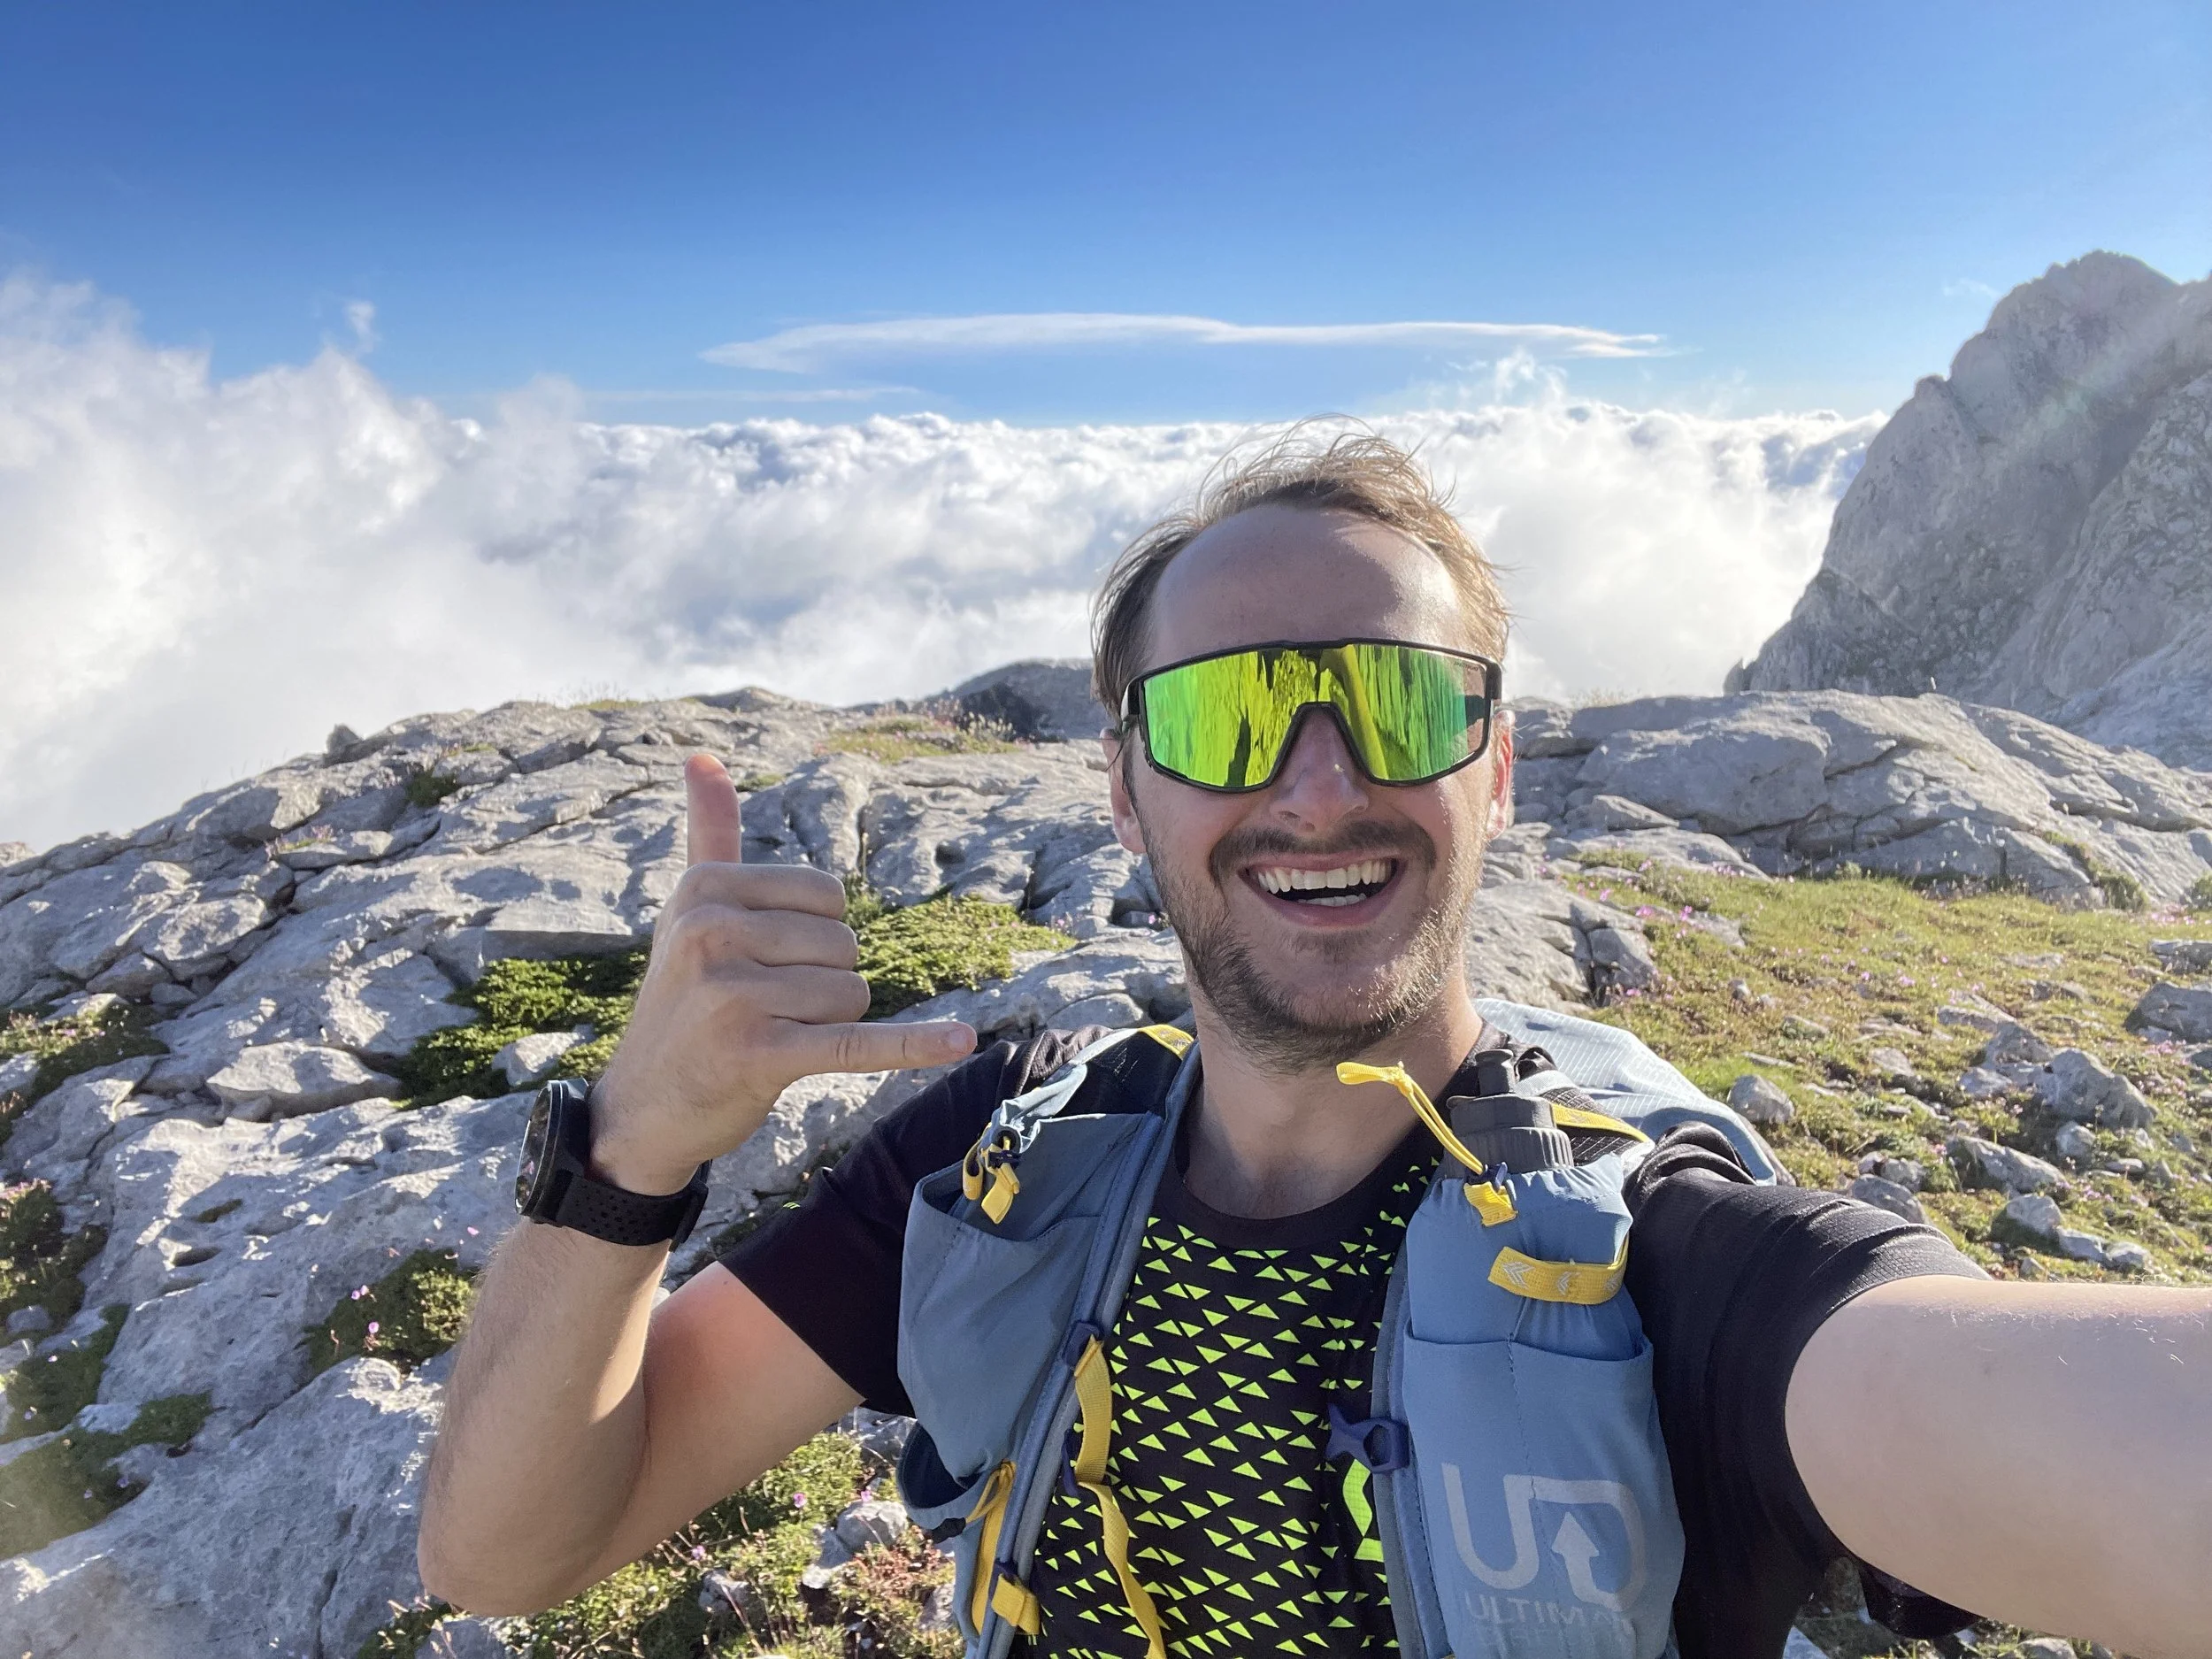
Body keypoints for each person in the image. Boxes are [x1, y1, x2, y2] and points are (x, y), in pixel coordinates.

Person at [418, 431, 2211, 1659]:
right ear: (1123, 785)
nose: (1318, 781)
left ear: (1495, 762)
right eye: (1228, 713)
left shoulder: (1658, 1256)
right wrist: (636, 1145)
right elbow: (501, 1552)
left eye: (1394, 699)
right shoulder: (998, 1162)